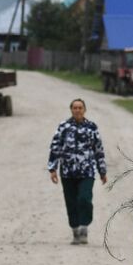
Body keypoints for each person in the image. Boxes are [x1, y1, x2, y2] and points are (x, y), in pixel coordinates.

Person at [47, 98, 108, 244]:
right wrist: (52, 169)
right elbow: (55, 147)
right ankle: (75, 229)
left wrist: (102, 171)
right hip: (67, 172)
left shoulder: (92, 127)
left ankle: (84, 226)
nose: (77, 110)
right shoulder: (64, 127)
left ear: (84, 110)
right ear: (71, 110)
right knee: (71, 201)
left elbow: (98, 150)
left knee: (84, 198)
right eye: (75, 107)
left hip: (87, 171)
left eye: (80, 107)